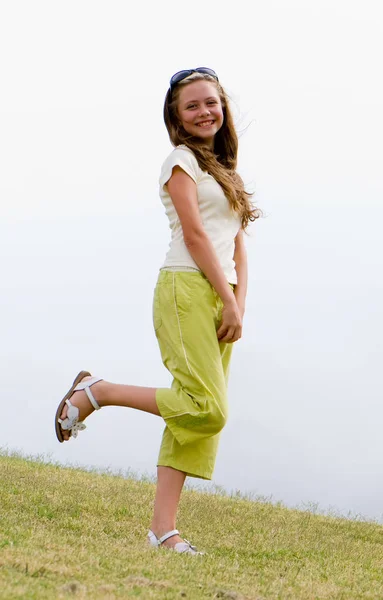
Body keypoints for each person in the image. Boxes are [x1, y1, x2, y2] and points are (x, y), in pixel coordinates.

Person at [54, 67, 261, 555]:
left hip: (219, 292)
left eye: (211, 102)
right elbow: (193, 236)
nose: (204, 111)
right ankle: (97, 391)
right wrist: (225, 297)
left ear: (223, 107)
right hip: (186, 287)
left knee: (191, 416)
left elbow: (237, 245)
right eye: (192, 106)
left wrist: (238, 303)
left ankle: (162, 531)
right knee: (207, 409)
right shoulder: (179, 162)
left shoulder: (223, 170)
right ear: (177, 118)